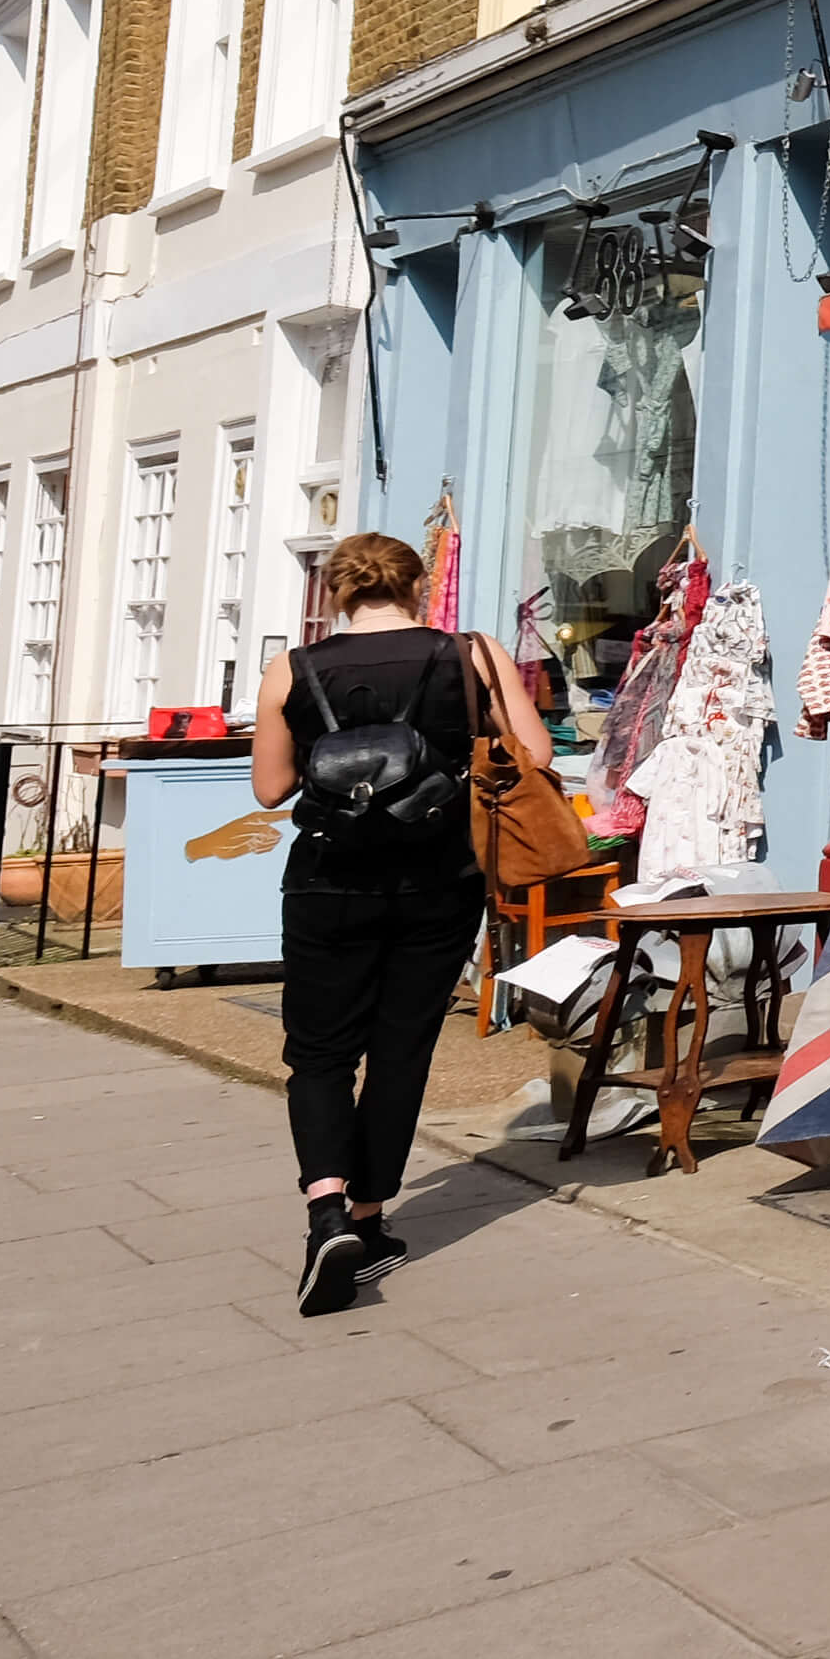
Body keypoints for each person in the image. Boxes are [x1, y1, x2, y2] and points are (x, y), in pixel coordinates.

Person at [250, 534, 549, 1314]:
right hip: (437, 881)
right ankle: (369, 1218)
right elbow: (538, 753)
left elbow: (270, 788)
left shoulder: (295, 667)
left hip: (326, 882)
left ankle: (324, 1209)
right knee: (400, 1051)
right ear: (420, 586)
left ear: (339, 593)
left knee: (317, 1055)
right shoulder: (472, 654)